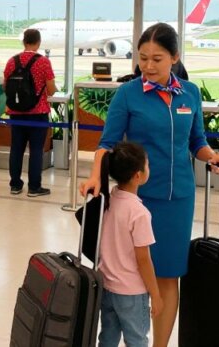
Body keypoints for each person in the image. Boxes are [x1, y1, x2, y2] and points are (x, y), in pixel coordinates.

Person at [81, 23, 219, 347]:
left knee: (168, 275)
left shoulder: (189, 93)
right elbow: (106, 143)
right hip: (137, 198)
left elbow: (197, 141)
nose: (148, 66)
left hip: (179, 198)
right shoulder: (128, 93)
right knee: (131, 271)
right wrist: (96, 174)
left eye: (157, 59)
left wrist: (211, 156)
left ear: (175, 57)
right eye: (143, 58)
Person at [96, 142, 161, 347]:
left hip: (107, 287)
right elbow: (143, 259)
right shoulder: (139, 213)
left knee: (107, 338)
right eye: (147, 165)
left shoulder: (107, 200)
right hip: (132, 293)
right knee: (136, 341)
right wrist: (156, 294)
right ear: (138, 175)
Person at [3, 28, 56, 197]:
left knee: (16, 149)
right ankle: (34, 187)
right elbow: (51, 90)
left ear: (24, 41)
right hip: (38, 113)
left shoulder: (12, 61)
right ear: (38, 43)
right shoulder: (43, 62)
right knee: (36, 150)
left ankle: (15, 185)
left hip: (16, 112)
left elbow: (5, 86)